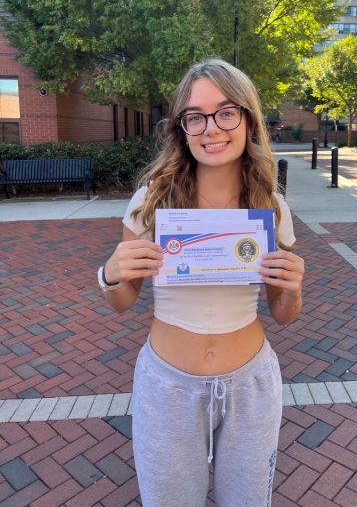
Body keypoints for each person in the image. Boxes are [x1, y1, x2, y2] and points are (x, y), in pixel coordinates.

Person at [97, 58, 304, 507]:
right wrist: (111, 273)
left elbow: (283, 314)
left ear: (248, 119)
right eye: (195, 116)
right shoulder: (151, 200)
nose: (211, 128)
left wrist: (292, 287)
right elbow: (122, 301)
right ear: (182, 129)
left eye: (226, 112)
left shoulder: (270, 206)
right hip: (167, 387)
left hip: (251, 386)